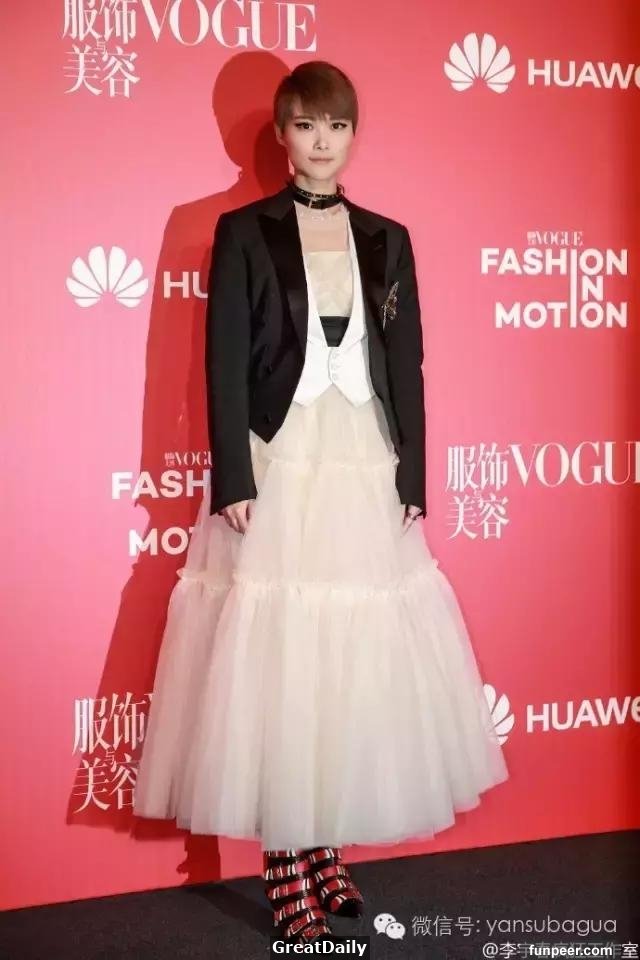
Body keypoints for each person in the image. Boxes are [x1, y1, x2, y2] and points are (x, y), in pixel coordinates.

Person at [133, 59, 509, 945]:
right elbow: (222, 360)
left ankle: (324, 846)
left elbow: (406, 362)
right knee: (280, 658)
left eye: (337, 126)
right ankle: (284, 859)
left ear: (353, 136)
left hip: (361, 458)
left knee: (345, 660)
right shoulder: (241, 232)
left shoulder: (387, 237)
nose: (322, 141)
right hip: (281, 456)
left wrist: (412, 476)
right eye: (306, 125)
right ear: (282, 135)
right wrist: (234, 477)